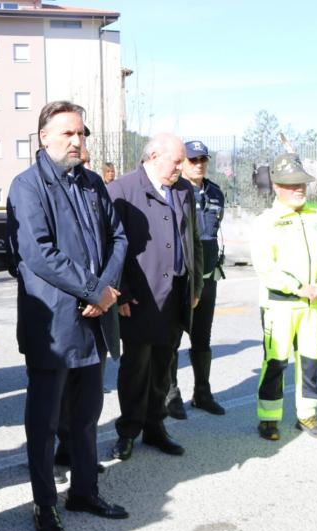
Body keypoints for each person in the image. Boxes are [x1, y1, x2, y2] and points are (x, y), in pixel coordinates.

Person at [7, 101, 129, 531]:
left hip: (94, 318)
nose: (77, 141)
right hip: (54, 324)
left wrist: (107, 288)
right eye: (68, 134)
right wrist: (92, 289)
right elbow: (38, 253)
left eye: (81, 133)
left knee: (86, 415)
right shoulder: (27, 186)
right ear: (44, 137)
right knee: (44, 421)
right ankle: (44, 504)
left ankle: (84, 491)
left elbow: (118, 237)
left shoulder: (93, 183)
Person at [108, 133, 202, 462]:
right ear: (152, 157)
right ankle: (128, 431)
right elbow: (110, 247)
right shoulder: (122, 191)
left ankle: (155, 426)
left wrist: (195, 288)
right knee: (136, 367)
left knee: (164, 364)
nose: (182, 167)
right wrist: (121, 293)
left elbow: (193, 241)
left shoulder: (184, 190)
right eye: (176, 161)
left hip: (175, 294)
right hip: (138, 298)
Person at [250, 153, 317, 441]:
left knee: (310, 361)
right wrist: (298, 287)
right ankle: (268, 417)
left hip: (315, 305)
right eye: (291, 185)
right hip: (280, 304)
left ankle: (307, 415)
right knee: (276, 362)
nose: (299, 189)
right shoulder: (266, 222)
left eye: (302, 183)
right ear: (277, 186)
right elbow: (266, 267)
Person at [165, 141, 226, 419]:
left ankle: (202, 392)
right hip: (182, 279)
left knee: (202, 339)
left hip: (208, 277)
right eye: (193, 159)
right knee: (173, 338)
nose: (199, 164)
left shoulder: (215, 192)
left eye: (203, 159)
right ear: (183, 162)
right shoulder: (176, 191)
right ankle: (171, 395)